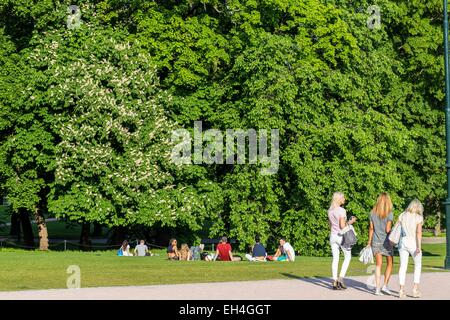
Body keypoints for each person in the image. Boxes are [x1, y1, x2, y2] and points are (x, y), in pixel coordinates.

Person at [328, 192, 356, 290]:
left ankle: (334, 282)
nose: (344, 198)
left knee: (335, 259)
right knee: (348, 257)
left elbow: (330, 225)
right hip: (341, 237)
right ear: (339, 199)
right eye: (343, 197)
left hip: (332, 236)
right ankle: (341, 278)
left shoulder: (330, 210)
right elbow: (342, 226)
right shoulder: (341, 210)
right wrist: (350, 222)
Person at [367, 192, 394, 296]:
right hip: (386, 242)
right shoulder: (389, 213)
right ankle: (385, 286)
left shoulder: (372, 213)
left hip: (375, 241)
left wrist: (369, 242)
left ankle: (377, 289)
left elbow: (371, 229)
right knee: (390, 263)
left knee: (378, 265)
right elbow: (388, 229)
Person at [397, 199, 423, 298]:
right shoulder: (418, 217)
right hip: (413, 243)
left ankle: (401, 290)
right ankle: (415, 289)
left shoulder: (402, 215)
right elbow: (418, 233)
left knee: (403, 266)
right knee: (418, 265)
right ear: (418, 207)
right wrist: (419, 247)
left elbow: (397, 227)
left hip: (403, 242)